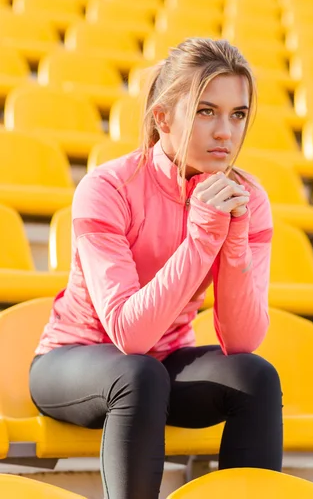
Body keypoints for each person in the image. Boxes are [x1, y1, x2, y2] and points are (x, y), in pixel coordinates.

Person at [29, 38, 283, 499]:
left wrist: (235, 238)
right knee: (137, 372)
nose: (226, 132)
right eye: (206, 111)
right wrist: (204, 236)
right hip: (71, 360)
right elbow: (130, 335)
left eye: (238, 114)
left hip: (160, 363)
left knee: (256, 375)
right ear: (163, 118)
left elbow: (242, 339)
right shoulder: (106, 187)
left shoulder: (247, 197)